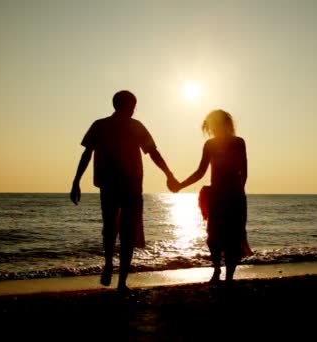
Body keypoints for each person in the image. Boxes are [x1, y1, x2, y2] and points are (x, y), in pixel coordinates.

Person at [70, 90, 178, 293]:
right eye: (133, 105)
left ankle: (110, 264)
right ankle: (121, 282)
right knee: (127, 232)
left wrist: (76, 181)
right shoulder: (132, 126)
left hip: (111, 184)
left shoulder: (100, 124)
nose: (134, 109)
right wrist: (169, 174)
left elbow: (86, 153)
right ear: (129, 105)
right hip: (130, 185)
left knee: (110, 227)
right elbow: (153, 152)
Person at [174, 109, 249, 284]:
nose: (212, 128)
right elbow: (201, 172)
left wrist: (239, 190)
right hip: (219, 194)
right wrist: (180, 185)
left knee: (233, 237)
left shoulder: (238, 142)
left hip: (232, 194)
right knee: (213, 237)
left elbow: (244, 169)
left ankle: (228, 276)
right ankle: (217, 270)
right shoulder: (210, 145)